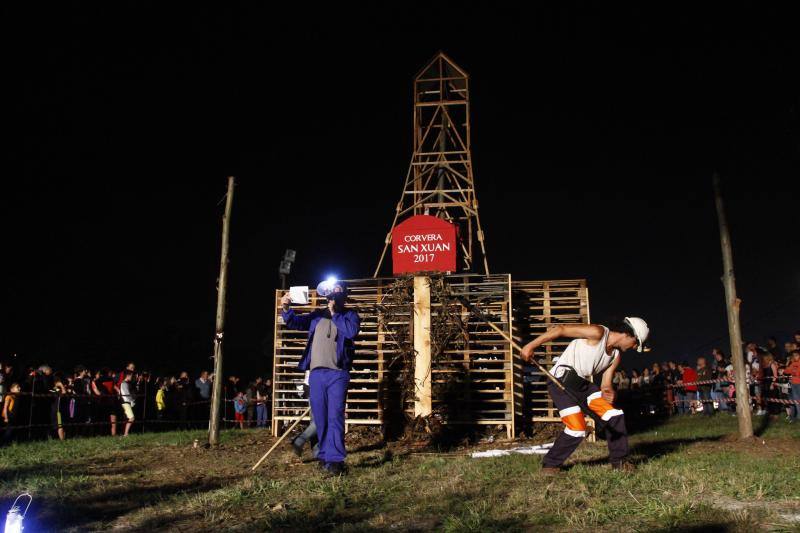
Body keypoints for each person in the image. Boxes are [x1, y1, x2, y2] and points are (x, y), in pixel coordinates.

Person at [520, 317, 649, 474]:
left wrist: (609, 392)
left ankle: (620, 463)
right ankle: (550, 465)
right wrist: (530, 346)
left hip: (584, 386)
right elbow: (561, 329)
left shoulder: (615, 356)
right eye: (635, 343)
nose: (633, 347)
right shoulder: (598, 332)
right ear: (628, 334)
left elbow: (605, 385)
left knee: (614, 415)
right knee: (577, 428)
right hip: (561, 381)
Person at [281, 279, 360, 475]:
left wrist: (335, 313)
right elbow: (294, 322)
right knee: (321, 419)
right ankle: (324, 456)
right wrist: (286, 307)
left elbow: (351, 332)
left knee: (335, 417)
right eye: (330, 291)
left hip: (337, 374)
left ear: (344, 294)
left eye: (337, 290)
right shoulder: (316, 316)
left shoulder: (350, 315)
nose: (333, 294)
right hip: (316, 375)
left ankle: (335, 461)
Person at [783, 350, 800, 422]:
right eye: (793, 355)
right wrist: (788, 363)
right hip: (794, 383)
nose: (795, 357)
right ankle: (799, 415)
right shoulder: (793, 363)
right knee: (796, 400)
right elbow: (786, 371)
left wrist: (795, 372)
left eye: (796, 355)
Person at [119, 371, 136, 436]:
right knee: (131, 418)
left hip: (126, 402)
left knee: (129, 418)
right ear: (127, 376)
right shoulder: (124, 384)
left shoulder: (126, 383)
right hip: (126, 403)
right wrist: (131, 401)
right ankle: (125, 434)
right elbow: (126, 394)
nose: (132, 377)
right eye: (131, 376)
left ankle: (125, 433)